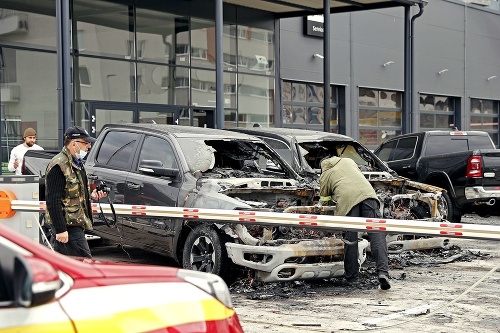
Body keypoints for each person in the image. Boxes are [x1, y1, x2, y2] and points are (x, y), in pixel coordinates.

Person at [319, 156, 391, 290]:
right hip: (369, 195)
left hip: (348, 202)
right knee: (377, 235)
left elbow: (324, 200)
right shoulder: (348, 161)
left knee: (350, 239)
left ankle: (352, 277)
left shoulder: (325, 175)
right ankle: (383, 272)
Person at [45, 126, 106, 259]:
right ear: (73, 144)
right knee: (84, 264)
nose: (89, 146)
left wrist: (92, 195)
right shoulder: (59, 165)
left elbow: (74, 192)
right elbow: (53, 200)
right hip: (68, 227)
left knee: (63, 265)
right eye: (85, 143)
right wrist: (61, 229)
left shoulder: (76, 163)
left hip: (74, 224)